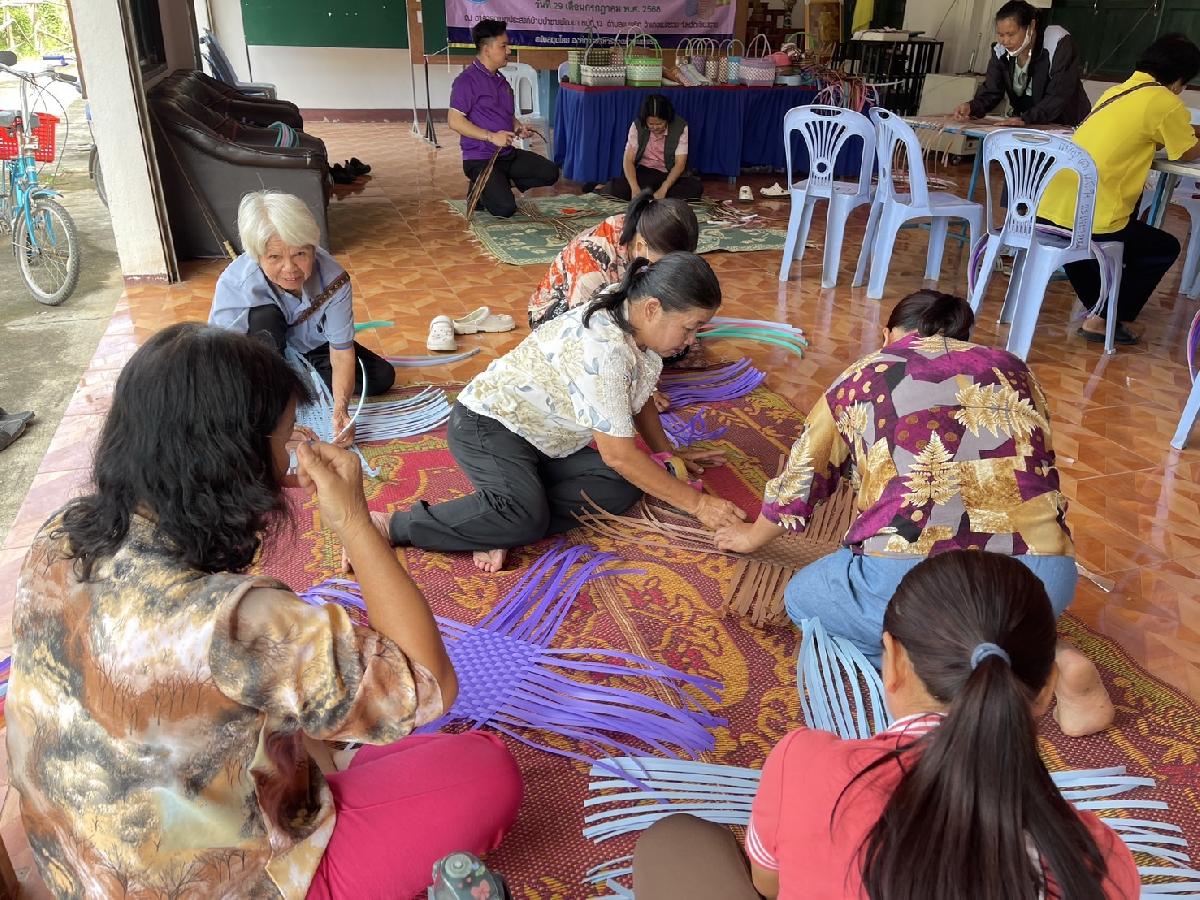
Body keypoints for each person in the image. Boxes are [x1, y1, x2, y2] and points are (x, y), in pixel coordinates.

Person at [5, 324, 522, 898]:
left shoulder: (61, 535)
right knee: (484, 769)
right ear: (238, 461)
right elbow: (430, 683)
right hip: (213, 883)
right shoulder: (242, 624)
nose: (290, 455)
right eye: (284, 438)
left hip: (76, 866)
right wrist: (355, 521)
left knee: (324, 729)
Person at [715, 290, 1114, 737]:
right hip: (1042, 578)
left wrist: (749, 538)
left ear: (887, 335)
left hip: (910, 577)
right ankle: (1048, 657)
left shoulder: (863, 373)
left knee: (804, 599)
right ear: (964, 337)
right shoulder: (1014, 368)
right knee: (991, 609)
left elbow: (803, 478)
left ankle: (931, 678)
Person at [631, 551, 1141, 899]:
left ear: (891, 661)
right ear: (1047, 688)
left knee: (675, 842)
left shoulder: (804, 763)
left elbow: (771, 885)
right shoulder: (1099, 859)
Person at [385, 253, 746, 572]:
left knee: (623, 486)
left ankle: (496, 523)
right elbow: (618, 454)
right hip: (488, 425)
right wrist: (698, 505)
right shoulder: (605, 350)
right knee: (531, 513)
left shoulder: (631, 313)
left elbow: (638, 395)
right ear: (652, 308)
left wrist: (666, 453)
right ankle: (394, 525)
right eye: (690, 328)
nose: (692, 340)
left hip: (545, 441)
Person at [1040, 33, 1200, 345]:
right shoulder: (1165, 101)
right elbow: (1186, 151)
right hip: (1094, 218)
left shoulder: (1116, 92)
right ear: (1179, 78)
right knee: (1162, 248)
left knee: (1099, 247)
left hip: (1052, 209)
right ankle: (1106, 318)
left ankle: (1101, 309)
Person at [210, 190, 395, 447]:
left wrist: (340, 410)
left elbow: (341, 352)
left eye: (300, 254)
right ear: (257, 256)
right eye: (274, 257)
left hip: (312, 346)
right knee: (265, 319)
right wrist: (276, 422)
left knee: (381, 376)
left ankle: (298, 379)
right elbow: (221, 358)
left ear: (313, 248)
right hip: (263, 355)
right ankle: (280, 387)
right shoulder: (236, 284)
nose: (290, 269)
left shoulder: (333, 278)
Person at [528, 189, 699, 329]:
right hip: (561, 310)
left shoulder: (642, 226)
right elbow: (584, 323)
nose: (673, 268)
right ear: (641, 246)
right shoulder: (590, 259)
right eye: (666, 261)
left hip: (616, 298)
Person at [449, 19, 560, 218]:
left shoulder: (501, 80)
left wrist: (517, 127)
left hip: (506, 155)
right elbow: (454, 121)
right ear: (487, 50)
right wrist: (491, 136)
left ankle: (492, 184)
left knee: (550, 172)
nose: (508, 50)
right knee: (505, 209)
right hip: (480, 159)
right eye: (503, 46)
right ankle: (483, 186)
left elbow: (507, 115)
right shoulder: (466, 81)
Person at [954, 1, 1090, 127]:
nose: (1005, 41)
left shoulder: (1057, 42)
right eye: (1000, 35)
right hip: (1027, 124)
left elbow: (1058, 94)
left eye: (1011, 34)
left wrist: (1027, 118)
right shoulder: (1000, 51)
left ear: (1031, 26)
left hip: (1066, 125)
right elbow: (992, 91)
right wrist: (972, 107)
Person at [595, 94, 703, 201]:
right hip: (645, 172)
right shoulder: (637, 126)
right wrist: (634, 188)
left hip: (669, 173)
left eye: (660, 124)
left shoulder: (680, 126)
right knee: (614, 190)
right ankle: (649, 195)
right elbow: (628, 160)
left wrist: (664, 189)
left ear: (667, 119)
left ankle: (649, 194)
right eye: (651, 124)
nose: (655, 127)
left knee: (695, 189)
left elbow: (680, 164)